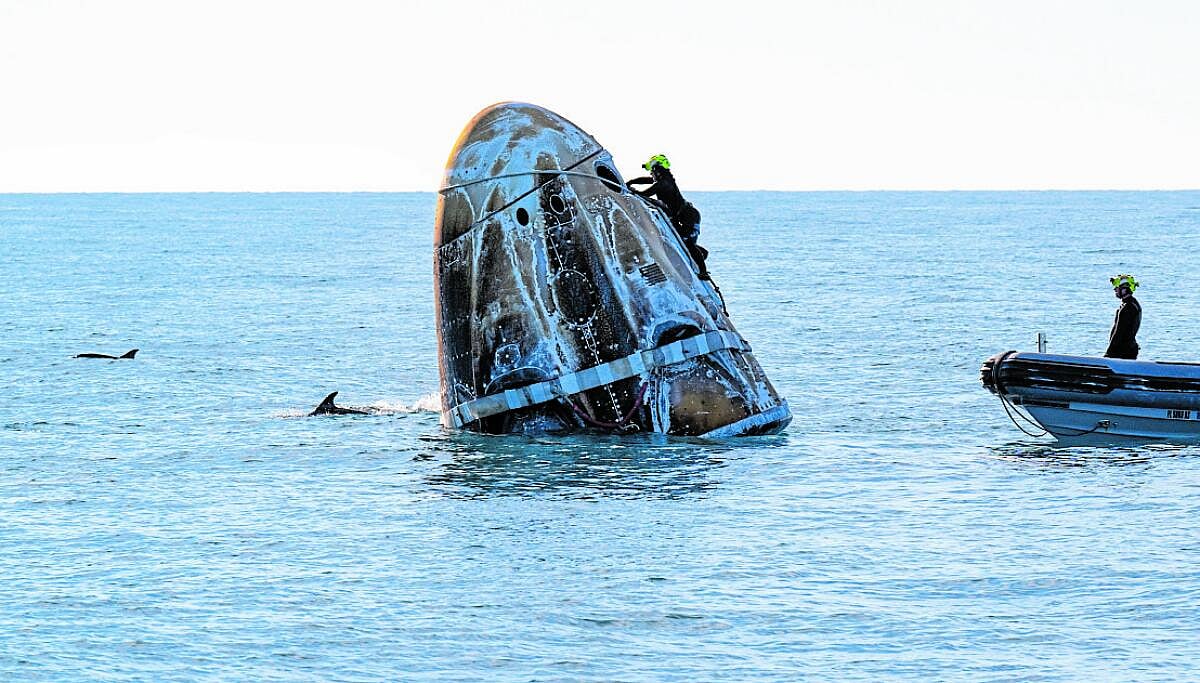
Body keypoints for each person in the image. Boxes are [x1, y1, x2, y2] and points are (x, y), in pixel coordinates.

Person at [626, 154, 710, 278]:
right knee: (683, 242)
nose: (651, 174)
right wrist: (630, 182)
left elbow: (646, 194)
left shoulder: (664, 183)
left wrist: (633, 190)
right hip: (681, 216)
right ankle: (702, 254)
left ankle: (703, 271)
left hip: (689, 216)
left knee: (688, 243)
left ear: (657, 170)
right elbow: (647, 181)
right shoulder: (663, 180)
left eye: (652, 171)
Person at [1104, 274, 1141, 360]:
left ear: (1125, 289)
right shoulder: (1134, 304)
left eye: (1117, 287)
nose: (1115, 290)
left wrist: (1108, 354)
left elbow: (1119, 333)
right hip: (1129, 350)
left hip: (1122, 352)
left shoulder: (1127, 308)